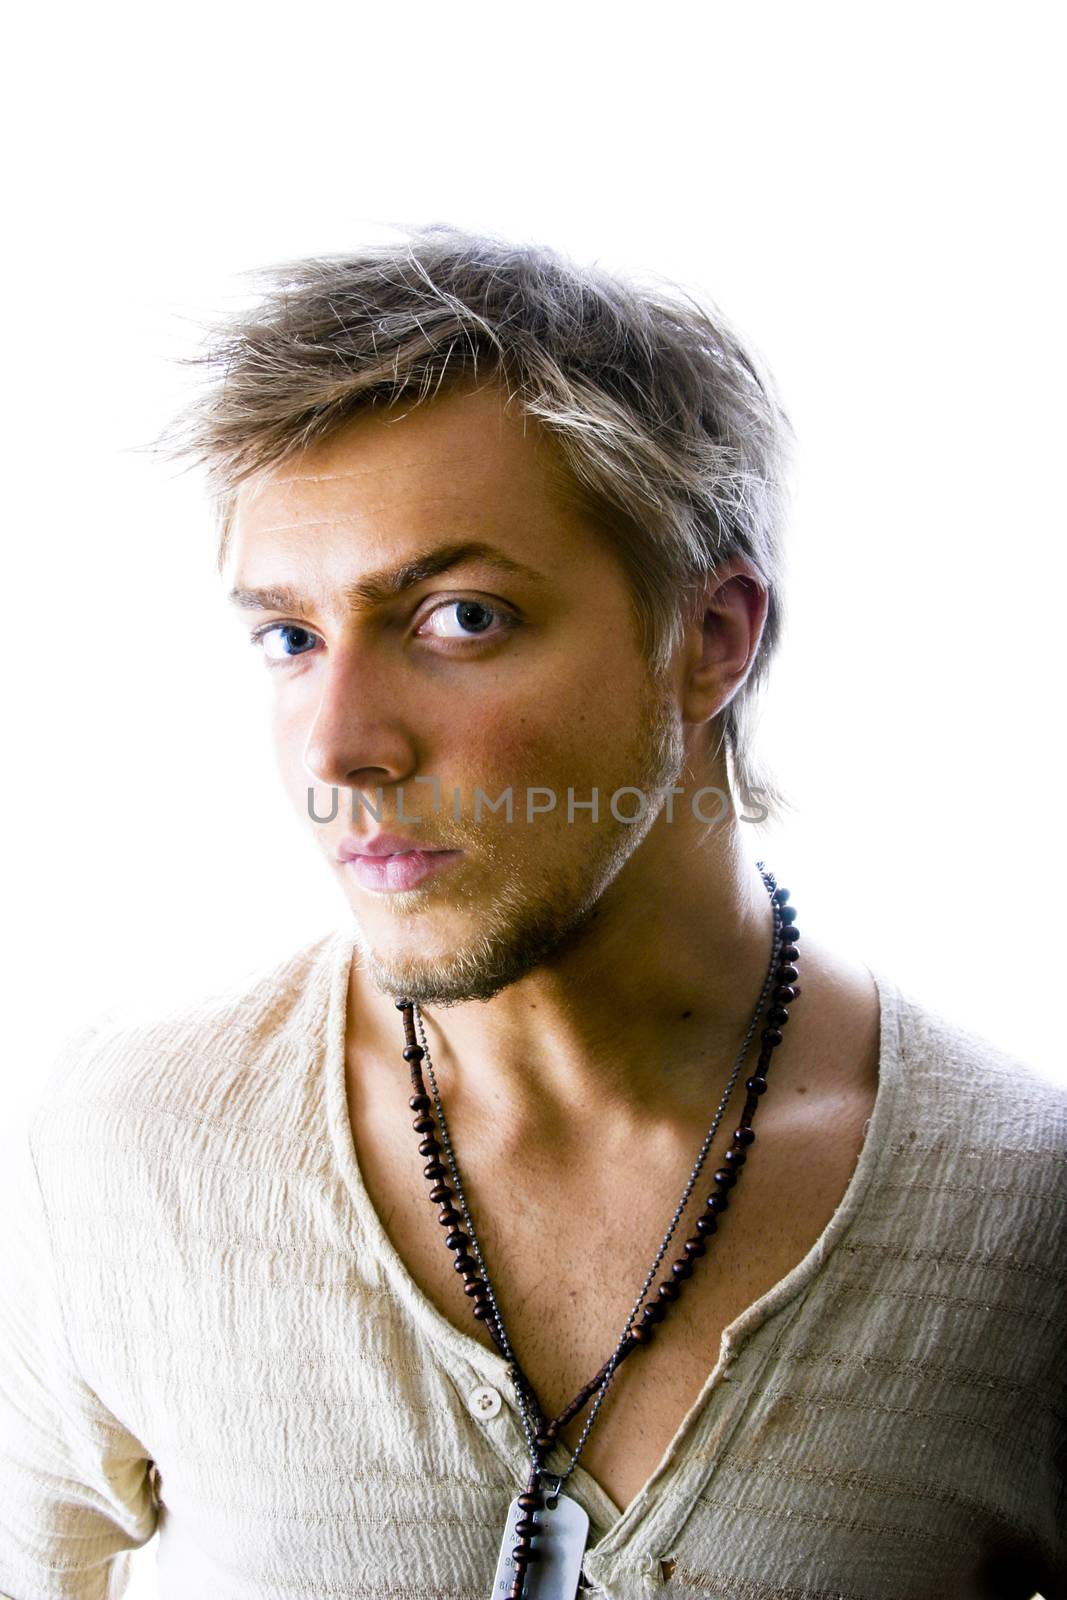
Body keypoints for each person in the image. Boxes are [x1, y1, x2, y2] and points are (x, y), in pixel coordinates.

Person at [1, 227, 1063, 1600]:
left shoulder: (1020, 1220)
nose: (338, 748)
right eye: (289, 638)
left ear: (709, 639)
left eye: (460, 618)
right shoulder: (127, 1150)